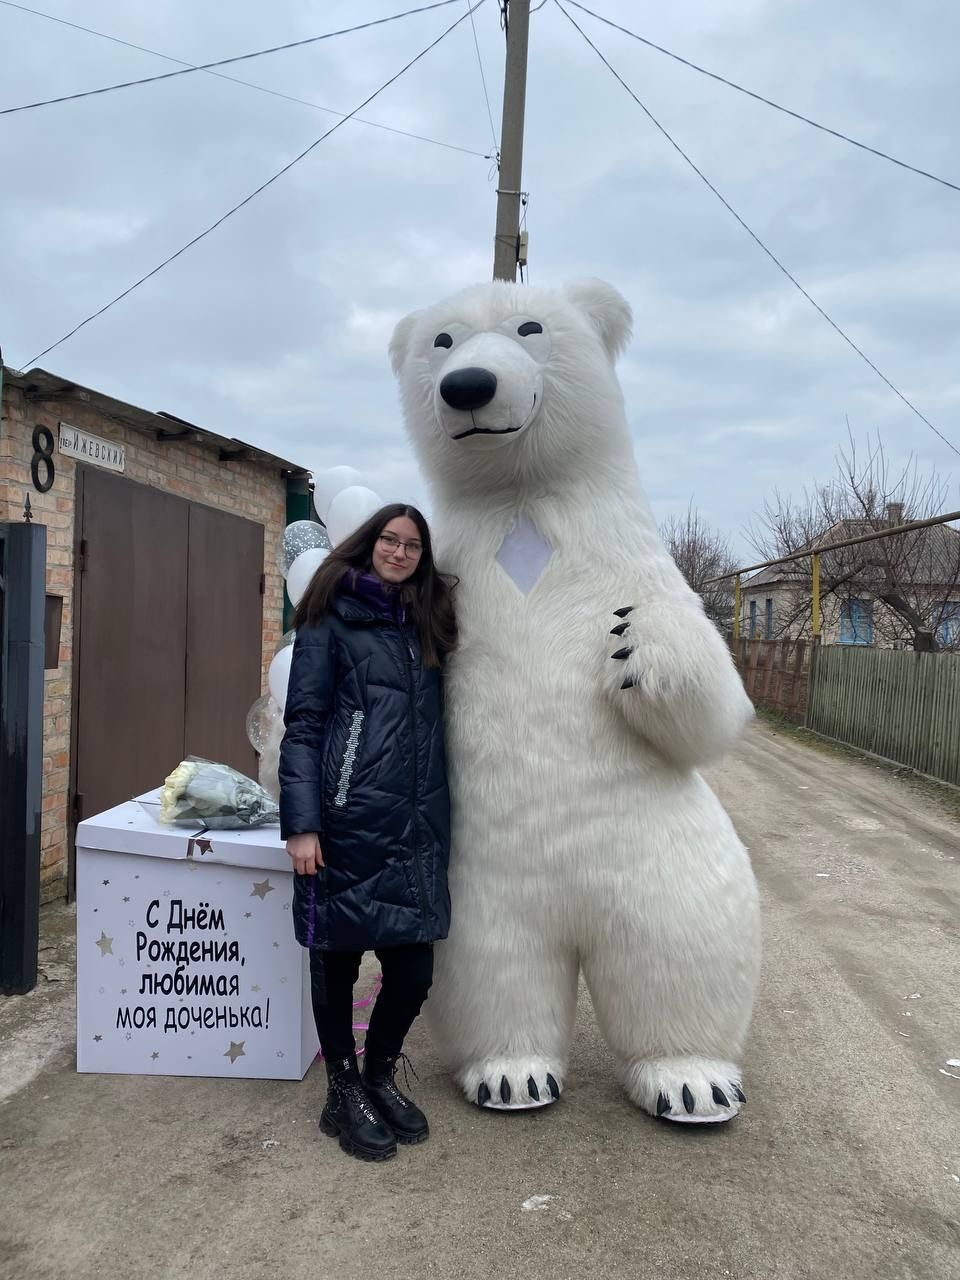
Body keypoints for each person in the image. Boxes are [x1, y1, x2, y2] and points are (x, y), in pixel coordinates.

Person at [279, 504, 456, 1162]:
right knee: (336, 960)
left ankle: (378, 1075)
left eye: (413, 545)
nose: (400, 552)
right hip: (344, 822)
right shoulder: (330, 616)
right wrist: (302, 825)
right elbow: (304, 725)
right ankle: (342, 1092)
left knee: (412, 971)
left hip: (415, 826)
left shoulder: (428, 624)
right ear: (369, 542)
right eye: (390, 539)